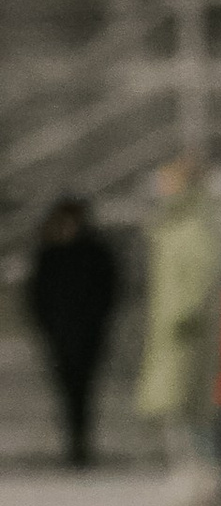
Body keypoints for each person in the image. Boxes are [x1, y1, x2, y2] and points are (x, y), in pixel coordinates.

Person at [131, 156, 221, 506]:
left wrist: (182, 316)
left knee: (190, 412)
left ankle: (203, 481)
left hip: (187, 337)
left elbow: (201, 281)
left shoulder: (195, 226)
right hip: (172, 336)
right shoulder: (172, 226)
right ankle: (191, 478)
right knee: (177, 412)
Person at [24, 197, 120, 469]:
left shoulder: (94, 252)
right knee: (68, 390)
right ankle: (74, 443)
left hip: (87, 334)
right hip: (60, 335)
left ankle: (80, 443)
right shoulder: (50, 253)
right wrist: (46, 325)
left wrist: (97, 320)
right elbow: (36, 295)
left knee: (83, 390)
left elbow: (109, 290)